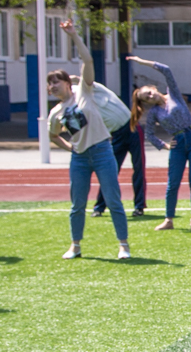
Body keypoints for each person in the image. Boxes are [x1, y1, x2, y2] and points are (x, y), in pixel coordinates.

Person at [47, 21, 132, 261]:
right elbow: (53, 135)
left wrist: (73, 35)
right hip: (80, 158)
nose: (52, 86)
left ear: (68, 83)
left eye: (56, 81)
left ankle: (123, 245)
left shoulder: (84, 91)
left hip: (103, 151)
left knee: (113, 200)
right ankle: (75, 245)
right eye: (49, 83)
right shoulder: (55, 113)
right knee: (77, 204)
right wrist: (70, 148)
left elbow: (88, 60)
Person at [126, 55, 191, 233]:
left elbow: (166, 70)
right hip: (178, 143)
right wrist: (165, 145)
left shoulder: (173, 94)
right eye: (147, 98)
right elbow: (149, 134)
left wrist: (141, 61)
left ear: (154, 88)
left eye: (149, 92)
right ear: (147, 103)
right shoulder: (154, 112)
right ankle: (169, 219)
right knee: (173, 183)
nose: (151, 96)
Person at [82, 72, 146, 219]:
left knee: (139, 168)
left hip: (133, 127)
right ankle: (99, 207)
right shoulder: (82, 104)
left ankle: (139, 206)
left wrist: (70, 80)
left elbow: (82, 79)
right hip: (116, 135)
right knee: (109, 171)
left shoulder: (98, 89)